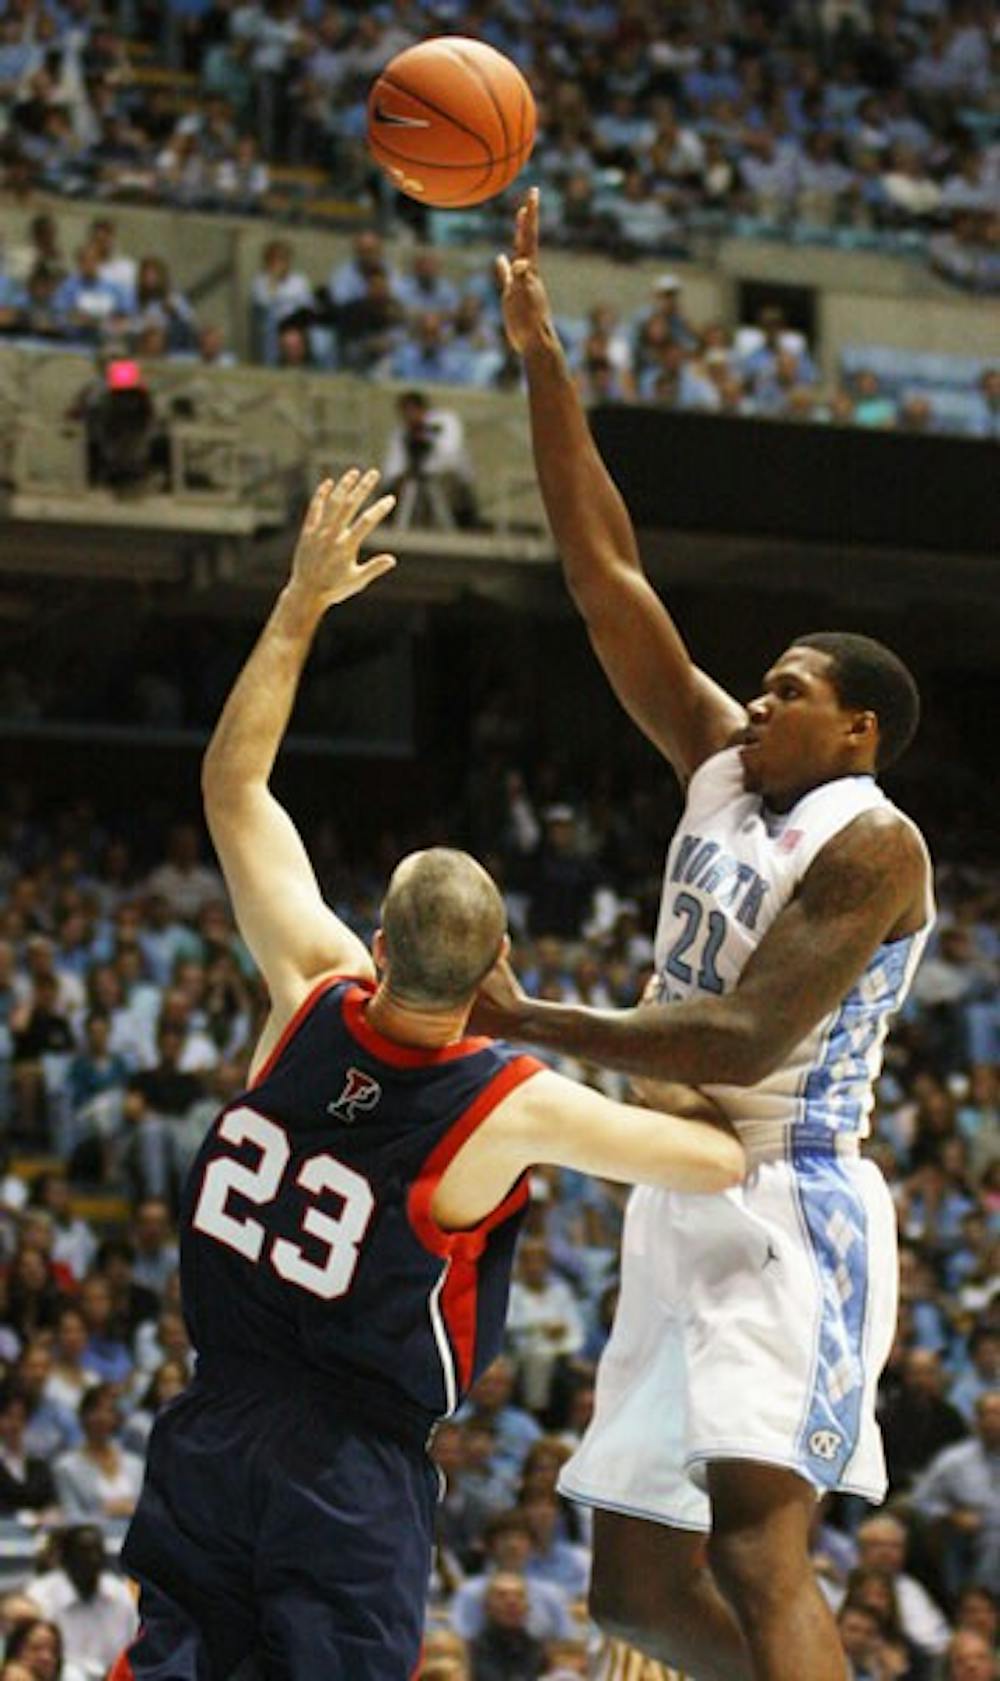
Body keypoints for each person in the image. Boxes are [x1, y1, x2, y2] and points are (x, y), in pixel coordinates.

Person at [110, 469, 745, 1681]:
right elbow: (715, 1159)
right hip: (345, 1468)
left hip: (212, 1420)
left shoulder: (306, 992)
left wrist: (299, 606)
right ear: (497, 965)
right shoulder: (507, 1103)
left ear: (379, 942)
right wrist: (663, 1060)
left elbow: (232, 787)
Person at [490, 187, 934, 1681]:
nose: (758, 698)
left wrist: (530, 1020)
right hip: (671, 1192)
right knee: (626, 1592)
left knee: (757, 1542)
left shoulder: (873, 845)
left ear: (857, 725)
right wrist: (547, 363)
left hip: (783, 1206)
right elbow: (603, 574)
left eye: (790, 687)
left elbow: (745, 1036)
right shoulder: (722, 768)